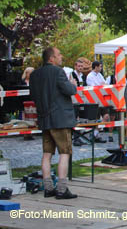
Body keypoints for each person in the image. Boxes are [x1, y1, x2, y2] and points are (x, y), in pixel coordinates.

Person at [29, 47, 78, 199]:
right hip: (60, 119)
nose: (61, 56)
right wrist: (73, 84)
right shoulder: (58, 72)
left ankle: (48, 187)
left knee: (47, 154)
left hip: (44, 118)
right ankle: (62, 189)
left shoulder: (35, 74)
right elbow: (70, 90)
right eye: (58, 55)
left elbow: (33, 94)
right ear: (51, 59)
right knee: (65, 153)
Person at [85, 61, 110, 143]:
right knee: (95, 119)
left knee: (106, 116)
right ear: (95, 67)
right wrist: (101, 85)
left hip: (102, 99)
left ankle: (95, 133)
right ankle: (95, 135)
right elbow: (93, 87)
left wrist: (102, 85)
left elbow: (105, 84)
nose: (101, 68)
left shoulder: (99, 75)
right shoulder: (90, 76)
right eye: (100, 66)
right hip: (94, 100)